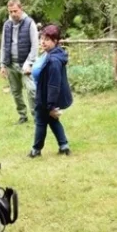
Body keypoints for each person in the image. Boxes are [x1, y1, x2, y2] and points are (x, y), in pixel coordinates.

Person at [29, 24, 73, 158]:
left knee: (41, 121)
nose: (43, 42)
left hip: (46, 98)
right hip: (45, 95)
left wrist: (50, 106)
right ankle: (64, 145)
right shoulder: (51, 54)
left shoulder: (54, 60)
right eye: (42, 39)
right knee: (53, 121)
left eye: (47, 40)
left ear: (55, 41)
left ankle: (36, 150)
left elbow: (54, 85)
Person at [0, 0, 38, 124]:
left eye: (15, 11)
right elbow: (4, 45)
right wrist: (3, 65)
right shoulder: (7, 25)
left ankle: (37, 117)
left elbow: (35, 46)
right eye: (11, 12)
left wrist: (29, 63)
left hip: (26, 64)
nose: (13, 14)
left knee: (32, 90)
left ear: (21, 9)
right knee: (16, 92)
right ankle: (22, 116)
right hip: (11, 64)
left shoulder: (30, 23)